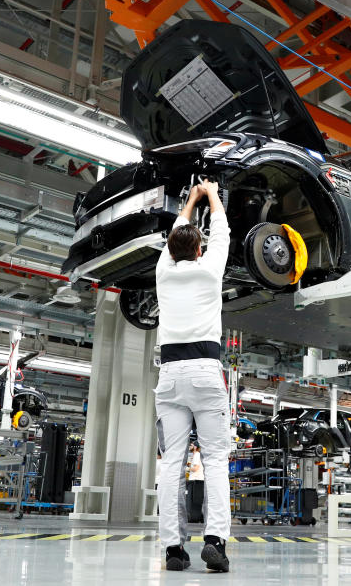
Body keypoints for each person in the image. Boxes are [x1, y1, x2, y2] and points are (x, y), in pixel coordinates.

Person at [153, 180, 232, 573]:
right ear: (199, 250)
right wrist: (211, 193)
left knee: (171, 463)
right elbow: (222, 229)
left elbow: (175, 236)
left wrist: (190, 200)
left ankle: (172, 549)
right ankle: (214, 541)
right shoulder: (210, 270)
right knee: (215, 459)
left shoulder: (163, 272)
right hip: (204, 371)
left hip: (169, 376)